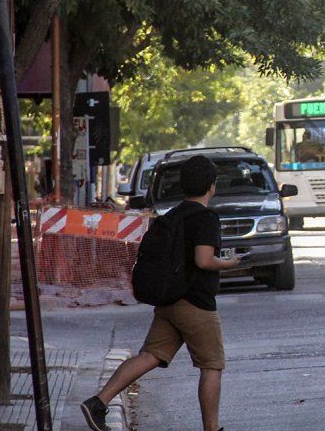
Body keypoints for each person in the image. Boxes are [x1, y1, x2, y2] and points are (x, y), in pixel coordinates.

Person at [80, 155, 239, 431]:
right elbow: (204, 260)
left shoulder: (172, 216)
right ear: (211, 186)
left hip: (169, 301)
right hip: (195, 303)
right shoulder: (205, 218)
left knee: (150, 355)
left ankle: (98, 402)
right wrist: (229, 263)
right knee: (212, 366)